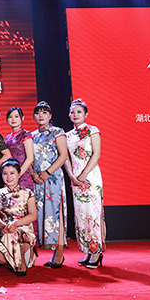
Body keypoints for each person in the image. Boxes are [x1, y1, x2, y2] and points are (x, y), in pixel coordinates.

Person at [64, 99, 106, 269]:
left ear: (86, 114)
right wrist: (72, 176)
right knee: (82, 215)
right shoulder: (67, 135)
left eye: (79, 112)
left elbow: (96, 154)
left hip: (90, 177)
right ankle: (89, 250)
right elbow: (66, 158)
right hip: (75, 178)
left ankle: (97, 252)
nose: (75, 115)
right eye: (72, 112)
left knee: (93, 214)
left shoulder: (92, 131)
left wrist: (84, 174)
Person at [31, 101, 68, 268]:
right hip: (37, 180)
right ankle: (50, 252)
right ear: (33, 116)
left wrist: (47, 172)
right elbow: (29, 158)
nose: (41, 115)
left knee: (55, 214)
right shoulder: (31, 135)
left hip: (53, 179)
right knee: (42, 215)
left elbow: (63, 156)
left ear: (50, 116)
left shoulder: (58, 132)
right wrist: (33, 174)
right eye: (38, 113)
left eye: (44, 112)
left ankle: (59, 253)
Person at [0, 159, 38, 277]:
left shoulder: (28, 193)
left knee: (12, 233)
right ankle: (19, 257)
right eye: (5, 173)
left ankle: (20, 262)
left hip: (23, 229)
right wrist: (3, 226)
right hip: (5, 229)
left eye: (12, 173)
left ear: (19, 174)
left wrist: (15, 224)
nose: (9, 177)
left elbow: (33, 215)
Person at [4, 107, 34, 191]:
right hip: (10, 176)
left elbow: (30, 158)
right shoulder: (7, 138)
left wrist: (18, 174)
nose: (13, 119)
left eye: (16, 116)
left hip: (23, 174)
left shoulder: (25, 135)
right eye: (10, 117)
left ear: (22, 118)